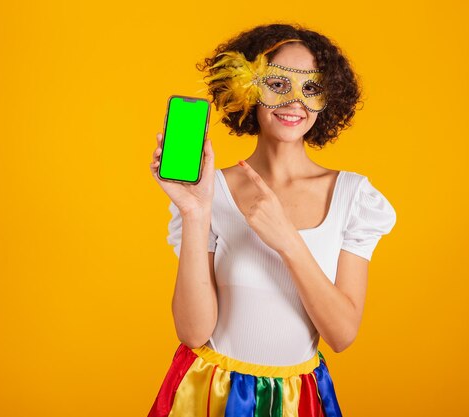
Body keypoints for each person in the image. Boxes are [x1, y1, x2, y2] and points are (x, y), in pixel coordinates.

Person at [147, 23, 397, 417]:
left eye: (311, 88)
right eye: (278, 84)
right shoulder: (211, 190)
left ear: (328, 97)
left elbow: (341, 334)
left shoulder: (353, 197)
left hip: (299, 398)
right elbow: (193, 332)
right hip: (210, 392)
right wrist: (195, 212)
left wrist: (287, 240)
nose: (295, 101)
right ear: (245, 89)